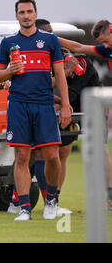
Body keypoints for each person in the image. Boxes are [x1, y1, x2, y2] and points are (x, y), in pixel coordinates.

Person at [0, 0, 72, 221]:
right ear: (17, 15)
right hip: (18, 105)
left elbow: (59, 74)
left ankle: (52, 199)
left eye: (30, 12)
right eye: (22, 12)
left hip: (44, 104)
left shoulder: (49, 41)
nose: (26, 16)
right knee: (21, 156)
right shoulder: (8, 42)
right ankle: (25, 208)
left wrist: (65, 104)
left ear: (36, 14)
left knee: (51, 155)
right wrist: (10, 70)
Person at [58, 19, 112, 210]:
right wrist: (53, 39)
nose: (105, 46)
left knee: (102, 149)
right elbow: (79, 46)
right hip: (87, 107)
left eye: (106, 40)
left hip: (97, 107)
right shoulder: (107, 50)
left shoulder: (84, 66)